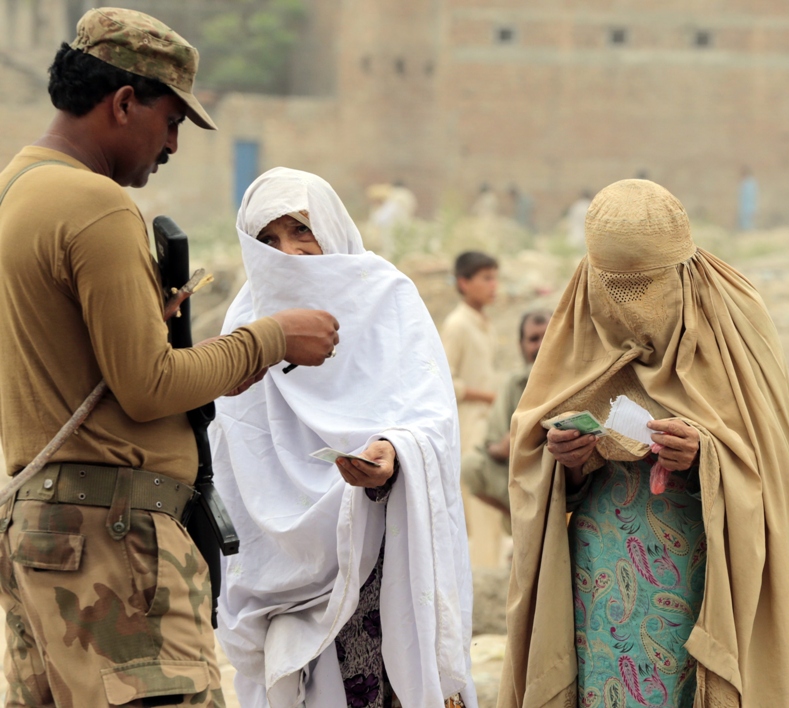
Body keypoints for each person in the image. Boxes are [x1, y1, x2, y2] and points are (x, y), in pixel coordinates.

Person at [0, 9, 339, 707]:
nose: (174, 144)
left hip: (43, 536)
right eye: (173, 121)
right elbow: (149, 387)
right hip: (115, 545)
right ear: (124, 103)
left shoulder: (18, 189)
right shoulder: (95, 206)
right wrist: (273, 338)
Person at [499, 179, 789, 707]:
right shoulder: (578, 322)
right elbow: (532, 450)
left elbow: (770, 464)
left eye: (646, 286)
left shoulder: (736, 322)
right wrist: (568, 462)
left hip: (704, 570)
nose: (629, 307)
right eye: (615, 287)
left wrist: (705, 455)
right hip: (601, 570)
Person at [211, 168, 476, 708]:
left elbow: (432, 417)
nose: (289, 252)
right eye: (269, 240)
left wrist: (395, 453)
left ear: (329, 227)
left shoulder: (386, 298)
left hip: (383, 557)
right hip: (282, 584)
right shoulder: (245, 325)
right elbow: (235, 453)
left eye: (301, 230)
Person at [441, 251, 505, 568]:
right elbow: (443, 381)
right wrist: (487, 396)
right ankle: (482, 583)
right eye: (486, 278)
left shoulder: (486, 325)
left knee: (494, 507)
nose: (494, 285)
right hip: (469, 425)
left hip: (489, 425)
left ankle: (492, 576)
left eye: (495, 277)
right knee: (478, 507)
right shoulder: (457, 325)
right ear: (463, 283)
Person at [462, 309, 551, 530]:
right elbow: (493, 446)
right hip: (522, 476)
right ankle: (519, 521)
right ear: (521, 345)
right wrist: (506, 447)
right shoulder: (514, 384)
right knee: (471, 466)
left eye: (547, 336)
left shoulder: (575, 377)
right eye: (533, 339)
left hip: (565, 472)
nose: (540, 345)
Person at [737, 165, 758, 232]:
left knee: (749, 228)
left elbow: (753, 198)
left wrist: (753, 210)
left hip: (749, 210)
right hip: (744, 210)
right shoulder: (744, 183)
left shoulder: (750, 184)